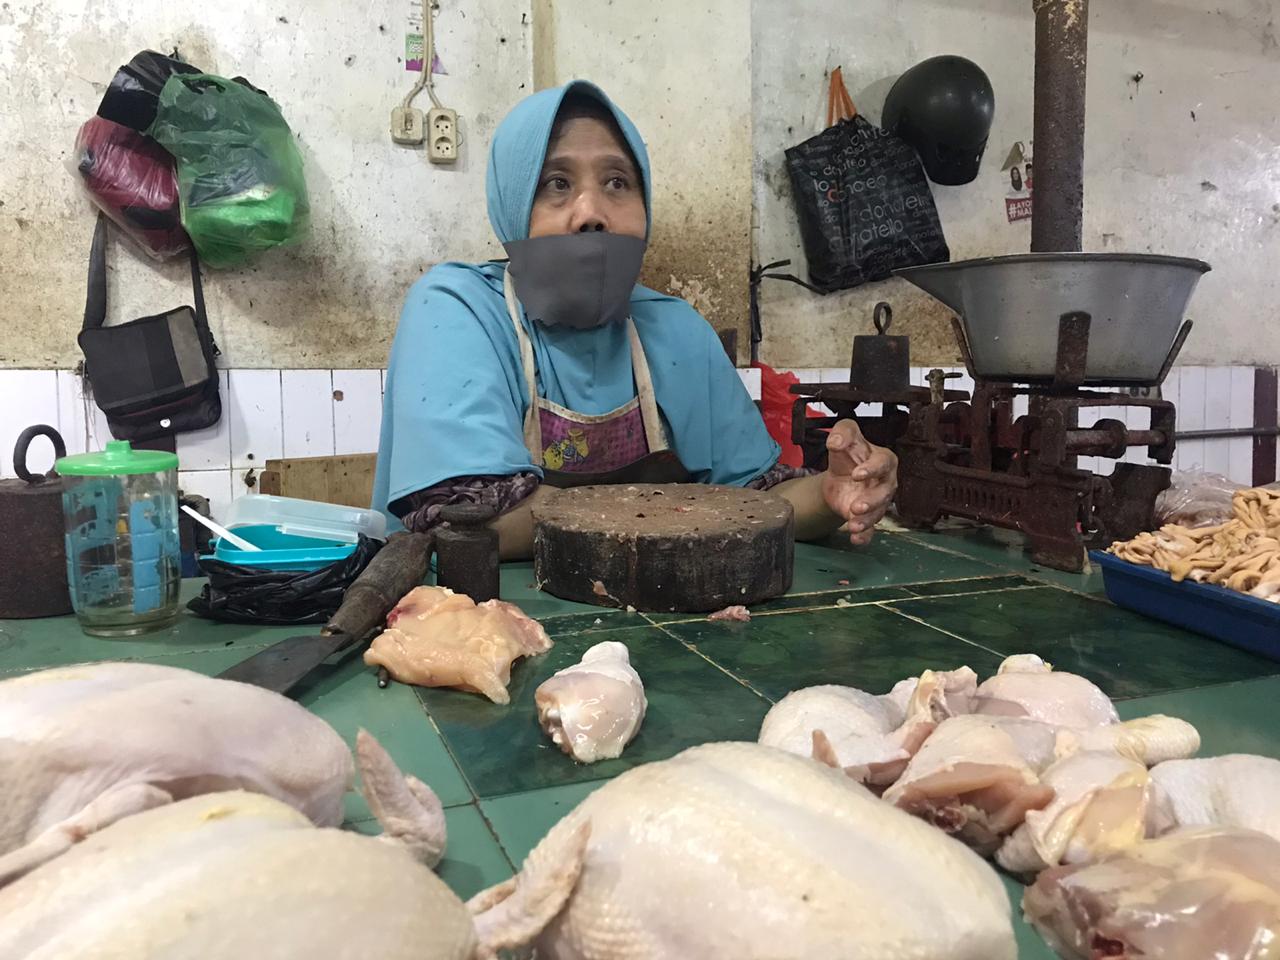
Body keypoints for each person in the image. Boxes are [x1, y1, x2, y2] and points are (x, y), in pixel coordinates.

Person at [373, 81, 897, 559]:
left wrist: (831, 494)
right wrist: (684, 514)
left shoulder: (675, 330)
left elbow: (763, 497)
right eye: (556, 182)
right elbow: (467, 518)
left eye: (617, 182)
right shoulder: (458, 309)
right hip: (472, 621)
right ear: (512, 204)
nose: (590, 212)